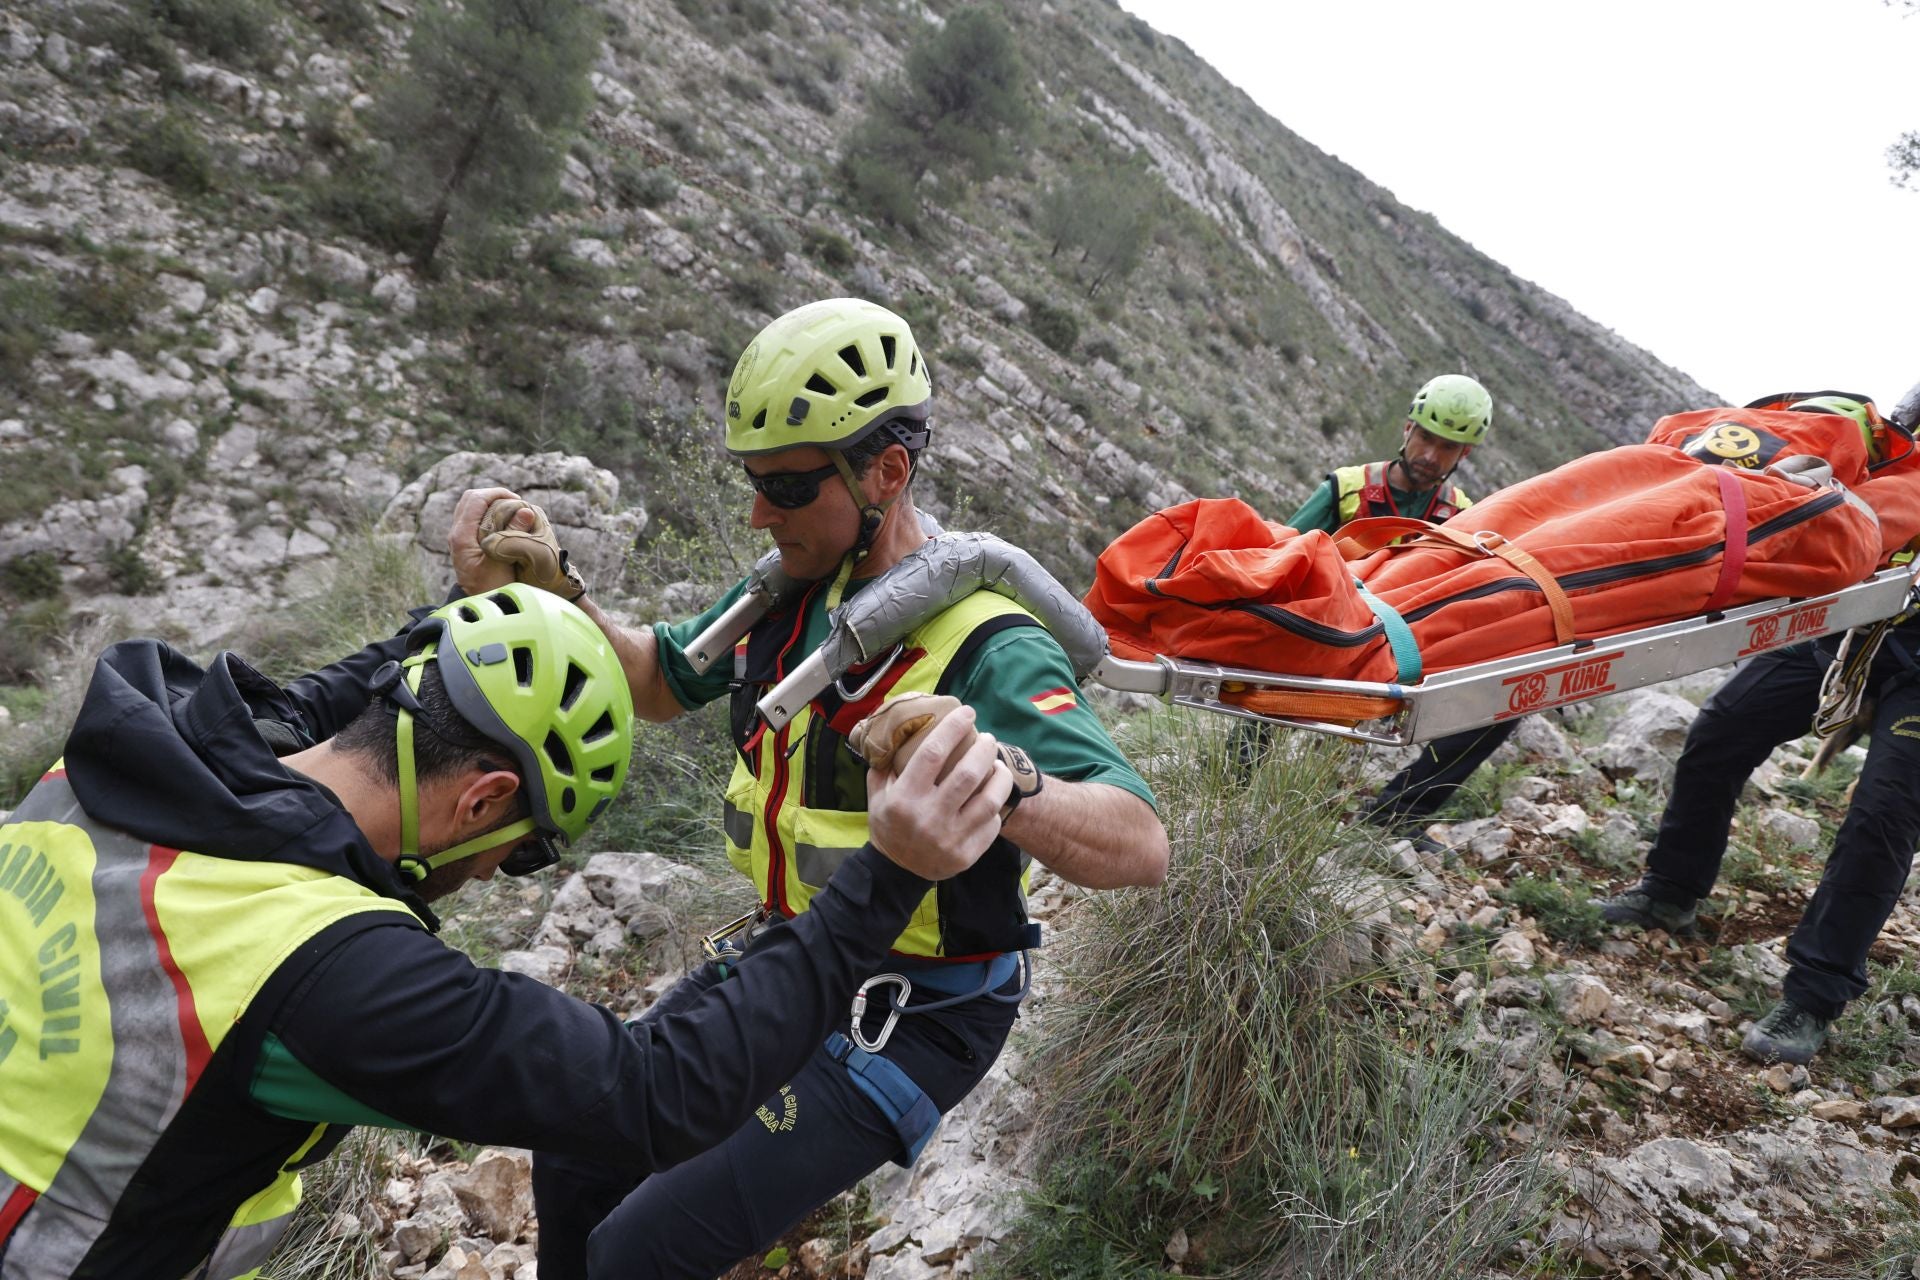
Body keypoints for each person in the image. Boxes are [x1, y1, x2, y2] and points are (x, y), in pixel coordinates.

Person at [451, 296, 1171, 1279]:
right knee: (578, 1148)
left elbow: (1140, 841)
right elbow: (660, 678)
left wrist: (999, 778)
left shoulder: (986, 640)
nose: (760, 511)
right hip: (796, 959)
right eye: (753, 482)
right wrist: (549, 594)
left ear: (887, 471)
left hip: (911, 1015)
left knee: (637, 1253)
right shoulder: (798, 587)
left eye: (787, 485)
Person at [0, 583, 1013, 1279]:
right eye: (526, 850)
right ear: (484, 802)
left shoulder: (130, 745)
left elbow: (314, 697)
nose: (502, 870)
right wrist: (889, 876)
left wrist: (460, 623)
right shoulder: (324, 969)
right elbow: (658, 1090)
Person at [1595, 395, 1920, 1065]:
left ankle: (1814, 995)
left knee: (1883, 812)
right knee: (1725, 726)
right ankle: (1671, 891)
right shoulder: (1893, 449)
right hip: (1860, 627)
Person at [1245, 373, 1518, 845]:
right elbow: (1281, 555)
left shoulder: (1464, 517)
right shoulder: (1347, 489)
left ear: (1464, 455)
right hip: (1328, 633)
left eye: (1448, 448)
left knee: (1507, 700)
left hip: (1409, 645)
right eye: (1427, 439)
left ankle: (1398, 815)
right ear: (1408, 429)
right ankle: (1238, 768)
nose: (1431, 456)